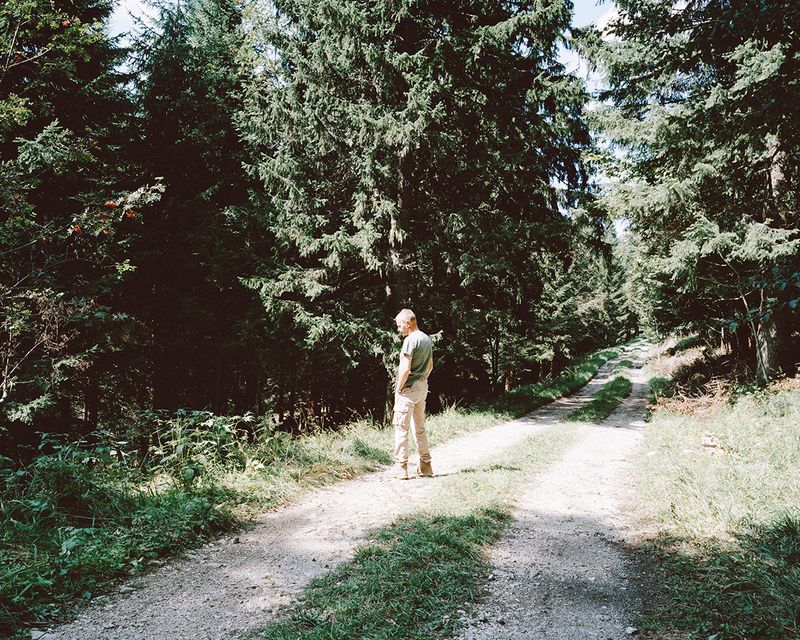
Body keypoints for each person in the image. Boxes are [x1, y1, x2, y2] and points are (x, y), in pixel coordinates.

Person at [392, 308, 434, 480]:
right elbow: (430, 366)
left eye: (399, 325)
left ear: (408, 323)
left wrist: (398, 389)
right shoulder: (426, 338)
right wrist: (421, 380)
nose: (398, 328)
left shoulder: (410, 340)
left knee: (401, 428)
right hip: (422, 387)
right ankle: (426, 466)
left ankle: (401, 468)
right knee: (419, 428)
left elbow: (405, 369)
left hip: (408, 389)